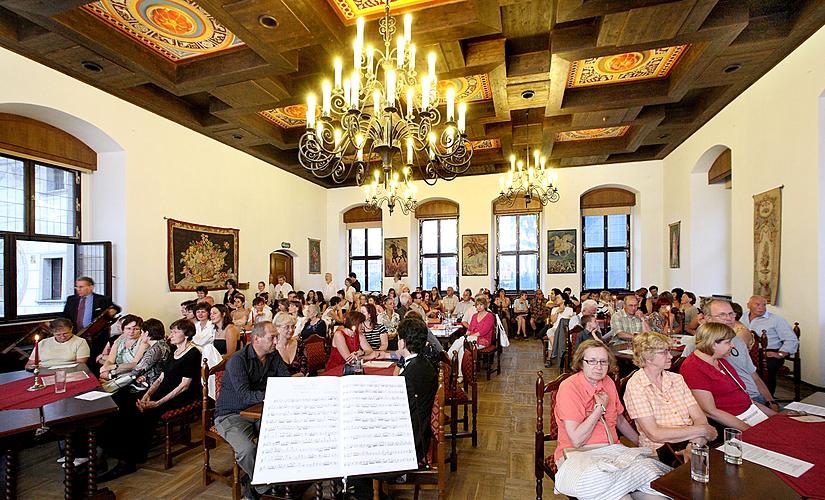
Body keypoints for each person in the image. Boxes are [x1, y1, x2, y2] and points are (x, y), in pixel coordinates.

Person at [553, 341, 670, 499]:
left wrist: (640, 442)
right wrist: (599, 409)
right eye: (592, 361)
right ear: (581, 363)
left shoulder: (607, 382)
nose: (598, 366)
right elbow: (576, 440)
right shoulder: (569, 387)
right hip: (580, 456)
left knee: (659, 496)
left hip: (613, 454)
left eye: (603, 361)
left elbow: (619, 420)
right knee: (623, 497)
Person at [98, 319, 202, 482]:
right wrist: (147, 395)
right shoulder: (174, 350)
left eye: (176, 332)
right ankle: (114, 451)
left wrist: (157, 402)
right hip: (164, 389)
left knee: (141, 414)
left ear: (187, 335)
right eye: (172, 331)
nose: (171, 335)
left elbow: (184, 385)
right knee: (127, 407)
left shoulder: (193, 353)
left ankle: (129, 461)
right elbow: (161, 377)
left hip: (181, 395)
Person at [353, 316, 437, 500]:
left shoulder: (409, 376)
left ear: (402, 342)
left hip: (410, 443)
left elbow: (392, 414)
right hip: (418, 431)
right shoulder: (423, 364)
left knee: (354, 460)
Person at [214, 321, 293, 498]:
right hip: (231, 414)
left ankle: (272, 478)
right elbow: (245, 396)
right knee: (247, 450)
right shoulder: (238, 360)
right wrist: (272, 392)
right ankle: (262, 486)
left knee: (285, 436)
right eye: (272, 338)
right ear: (256, 338)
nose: (276, 342)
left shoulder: (273, 356)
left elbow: (285, 380)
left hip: (260, 411)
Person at [623, 332, 718, 463]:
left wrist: (693, 445)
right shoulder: (636, 386)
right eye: (664, 352)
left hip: (693, 442)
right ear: (648, 357)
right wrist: (702, 430)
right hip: (660, 451)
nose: (670, 356)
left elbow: (699, 417)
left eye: (669, 351)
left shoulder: (677, 379)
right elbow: (654, 434)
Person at [680, 322, 775, 431]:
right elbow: (711, 412)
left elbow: (745, 398)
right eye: (728, 342)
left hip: (751, 414)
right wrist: (751, 431)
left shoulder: (719, 361)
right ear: (713, 344)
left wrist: (776, 417)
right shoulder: (693, 368)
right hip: (730, 425)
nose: (733, 345)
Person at [698, 299, 776, 408]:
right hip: (737, 402)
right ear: (708, 318)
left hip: (756, 398)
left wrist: (771, 401)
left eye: (731, 314)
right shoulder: (700, 347)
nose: (729, 318)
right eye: (722, 315)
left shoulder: (738, 341)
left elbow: (754, 375)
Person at [744, 295, 798, 395]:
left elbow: (791, 339)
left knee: (767, 368)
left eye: (764, 305)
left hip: (769, 352)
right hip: (746, 352)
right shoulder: (742, 318)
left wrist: (780, 354)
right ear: (748, 305)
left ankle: (767, 398)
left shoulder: (776, 320)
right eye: (758, 304)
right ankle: (746, 396)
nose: (762, 307)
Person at [61, 276, 115, 372]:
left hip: (97, 336)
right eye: (77, 287)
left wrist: (112, 311)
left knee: (95, 361)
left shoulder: (102, 299)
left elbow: (116, 309)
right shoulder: (71, 300)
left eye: (81, 287)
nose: (78, 289)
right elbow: (65, 316)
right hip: (77, 335)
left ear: (91, 287)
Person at [447, 297, 494, 364]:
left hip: (483, 340)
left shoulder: (489, 316)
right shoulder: (474, 316)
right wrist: (467, 335)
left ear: (485, 305)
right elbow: (469, 329)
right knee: (462, 349)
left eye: (481, 304)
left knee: (461, 342)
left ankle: (448, 359)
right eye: (477, 305)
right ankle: (461, 373)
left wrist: (469, 336)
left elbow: (483, 331)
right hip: (471, 338)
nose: (479, 307)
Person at [99, 315, 147, 380]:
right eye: (128, 328)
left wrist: (111, 368)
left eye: (136, 329)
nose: (131, 332)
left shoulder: (143, 342)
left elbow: (135, 365)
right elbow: (110, 359)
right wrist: (106, 370)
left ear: (141, 330)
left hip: (130, 374)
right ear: (123, 329)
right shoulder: (120, 338)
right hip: (115, 370)